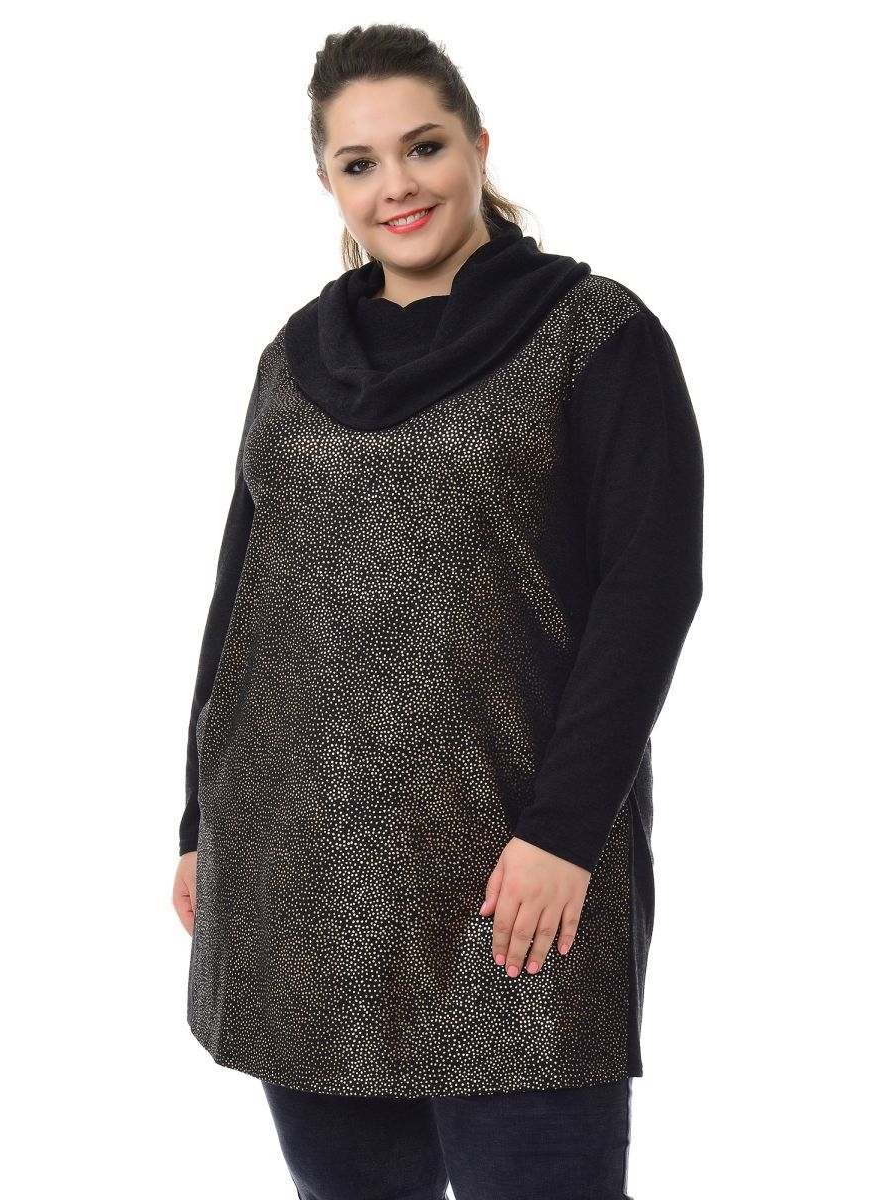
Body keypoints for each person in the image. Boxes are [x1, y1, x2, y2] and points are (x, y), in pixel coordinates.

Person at [171, 22, 704, 1200]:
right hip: (300, 876)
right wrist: (198, 820)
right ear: (328, 182)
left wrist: (566, 832)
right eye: (359, 162)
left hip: (512, 875)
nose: (398, 185)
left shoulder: (595, 334)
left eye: (424, 146)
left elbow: (650, 590)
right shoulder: (292, 359)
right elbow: (243, 593)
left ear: (477, 146)